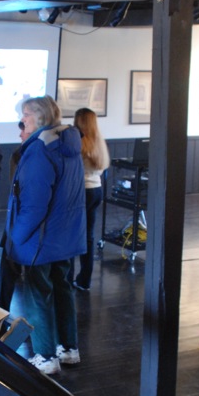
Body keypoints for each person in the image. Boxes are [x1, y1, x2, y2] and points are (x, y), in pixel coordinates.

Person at [4, 96, 85, 375]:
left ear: (39, 118)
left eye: (24, 115)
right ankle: (69, 349)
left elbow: (34, 205)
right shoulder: (67, 144)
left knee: (38, 295)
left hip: (40, 240)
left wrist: (16, 237)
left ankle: (46, 356)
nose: (21, 121)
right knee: (62, 289)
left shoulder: (40, 150)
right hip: (65, 237)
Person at [0, 119, 33, 312]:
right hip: (19, 220)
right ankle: (0, 314)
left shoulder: (24, 155)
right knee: (7, 271)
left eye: (23, 130)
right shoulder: (19, 154)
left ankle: (0, 315)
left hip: (22, 221)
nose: (20, 135)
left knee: (9, 272)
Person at [72, 108, 110, 291]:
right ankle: (84, 280)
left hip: (82, 192)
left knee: (73, 236)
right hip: (96, 190)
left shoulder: (78, 144)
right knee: (89, 236)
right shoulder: (99, 143)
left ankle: (68, 278)